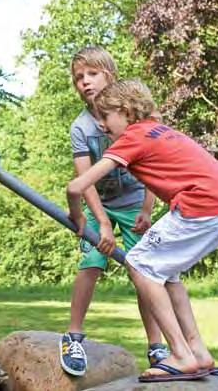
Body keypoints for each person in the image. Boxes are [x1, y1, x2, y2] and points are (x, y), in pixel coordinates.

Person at [66, 79, 218, 382]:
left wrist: (79, 218)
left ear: (125, 111)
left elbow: (76, 186)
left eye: (105, 117)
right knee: (166, 274)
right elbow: (165, 174)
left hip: (204, 204)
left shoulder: (132, 137)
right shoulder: (160, 130)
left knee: (138, 263)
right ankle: (198, 352)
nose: (101, 126)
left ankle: (179, 354)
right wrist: (146, 212)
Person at [60, 46, 165, 377]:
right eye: (79, 77)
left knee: (144, 272)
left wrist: (148, 208)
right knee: (91, 262)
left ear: (110, 76)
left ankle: (157, 346)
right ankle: (73, 336)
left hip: (135, 200)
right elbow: (83, 180)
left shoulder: (134, 115)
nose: (85, 82)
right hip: (97, 203)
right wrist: (101, 222)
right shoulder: (81, 127)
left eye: (92, 74)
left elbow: (155, 163)